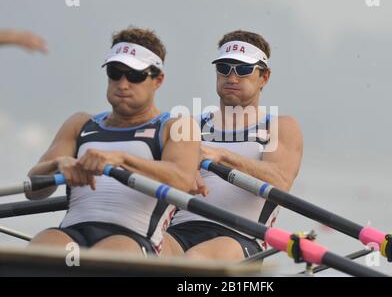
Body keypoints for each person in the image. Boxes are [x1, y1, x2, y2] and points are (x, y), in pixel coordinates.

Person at [27, 27, 202, 256]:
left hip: (135, 239)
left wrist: (120, 159)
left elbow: (182, 180)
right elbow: (33, 190)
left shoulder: (177, 126)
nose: (123, 83)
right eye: (115, 72)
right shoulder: (80, 123)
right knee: (42, 247)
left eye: (135, 75)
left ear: (158, 80)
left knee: (107, 256)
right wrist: (58, 164)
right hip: (72, 233)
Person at [162, 30, 303, 261]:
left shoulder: (279, 126)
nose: (232, 77)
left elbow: (280, 181)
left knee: (195, 260)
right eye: (224, 68)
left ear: (264, 77)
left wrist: (221, 155)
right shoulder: (189, 125)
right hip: (179, 231)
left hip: (241, 237)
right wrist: (183, 172)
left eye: (243, 69)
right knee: (144, 257)